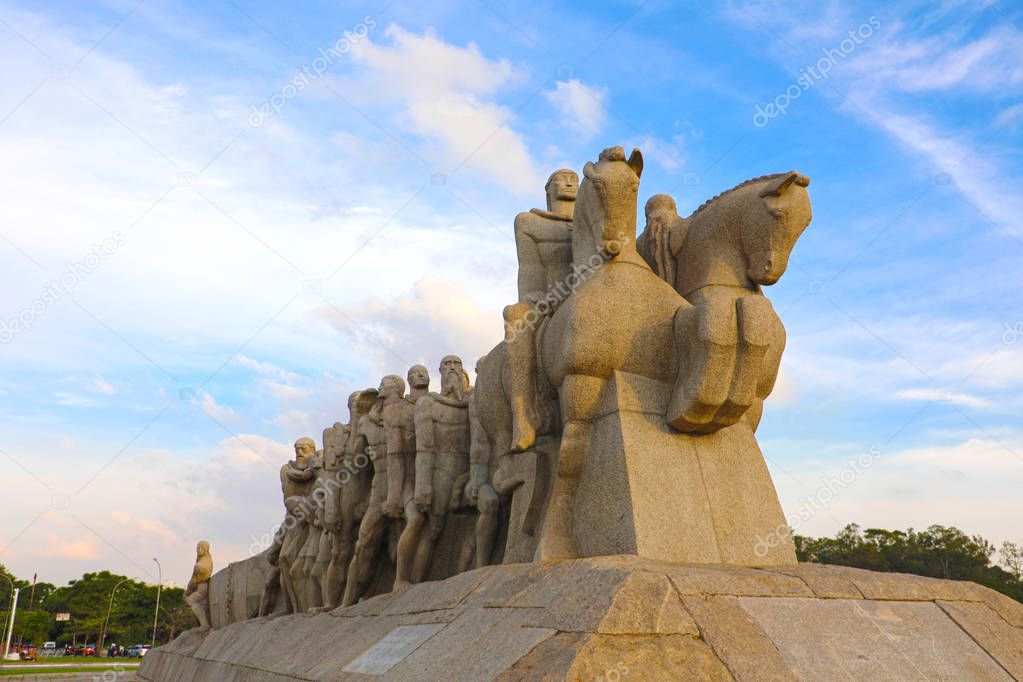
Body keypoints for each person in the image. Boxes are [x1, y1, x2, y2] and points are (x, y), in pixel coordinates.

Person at [503, 170, 578, 452]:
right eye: (562, 178)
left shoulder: (592, 219)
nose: (570, 182)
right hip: (547, 299)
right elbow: (530, 270)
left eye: (574, 178)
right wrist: (539, 299)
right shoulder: (529, 222)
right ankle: (524, 415)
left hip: (587, 293)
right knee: (516, 317)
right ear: (549, 189)